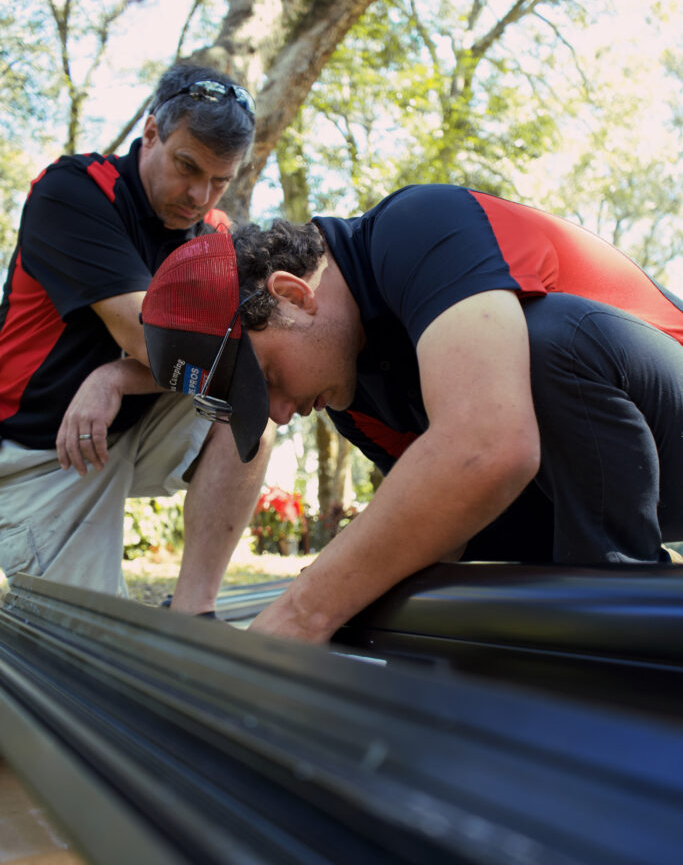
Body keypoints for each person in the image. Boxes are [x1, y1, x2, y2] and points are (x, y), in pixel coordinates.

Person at [181, 183, 681, 643]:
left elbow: (490, 448)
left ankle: (623, 607)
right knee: (416, 532)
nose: (284, 415)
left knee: (546, 341)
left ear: (292, 294)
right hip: (585, 486)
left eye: (267, 379)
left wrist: (302, 612)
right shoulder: (348, 396)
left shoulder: (418, 226)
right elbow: (439, 525)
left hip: (659, 422)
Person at [0, 62, 274, 616]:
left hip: (129, 426)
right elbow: (158, 342)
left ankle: (194, 613)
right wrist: (133, 366)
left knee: (253, 400)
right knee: (87, 652)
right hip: (38, 454)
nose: (199, 195)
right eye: (187, 167)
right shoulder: (74, 192)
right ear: (152, 133)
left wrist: (114, 377)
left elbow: (249, 352)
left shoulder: (215, 234)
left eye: (220, 180)